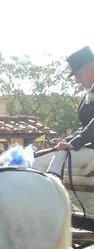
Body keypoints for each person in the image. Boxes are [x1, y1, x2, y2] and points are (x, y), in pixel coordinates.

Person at [44, 46, 94, 174]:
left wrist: (72, 143)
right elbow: (84, 127)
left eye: (78, 75)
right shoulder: (89, 94)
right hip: (88, 147)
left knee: (58, 156)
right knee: (39, 156)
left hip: (91, 148)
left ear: (91, 68)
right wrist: (66, 140)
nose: (77, 80)